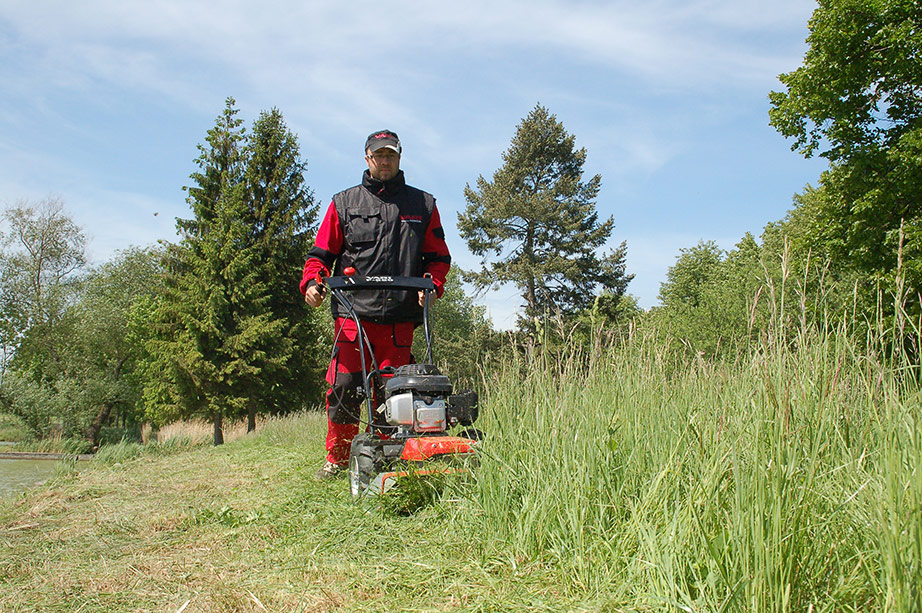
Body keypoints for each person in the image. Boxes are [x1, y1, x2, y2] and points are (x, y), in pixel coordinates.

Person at [300, 130, 451, 480]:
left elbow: (439, 258)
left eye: (391, 156)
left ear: (399, 158)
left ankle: (389, 455)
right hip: (353, 316)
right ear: (367, 158)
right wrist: (312, 283)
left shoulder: (423, 205)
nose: (385, 161)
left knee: (392, 389)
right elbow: (320, 256)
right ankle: (337, 459)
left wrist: (433, 284)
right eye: (378, 155)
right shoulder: (344, 203)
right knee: (344, 387)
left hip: (399, 319)